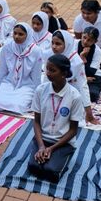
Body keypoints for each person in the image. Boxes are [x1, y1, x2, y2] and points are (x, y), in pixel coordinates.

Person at [28, 54, 84, 183]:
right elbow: (36, 121)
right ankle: (44, 151)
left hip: (62, 142)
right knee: (34, 167)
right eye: (47, 69)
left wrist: (51, 149)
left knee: (51, 172)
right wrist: (42, 146)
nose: (48, 73)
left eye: (52, 70)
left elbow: (73, 130)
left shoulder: (75, 96)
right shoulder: (40, 90)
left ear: (64, 73)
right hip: (43, 139)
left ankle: (65, 155)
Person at [43, 30, 97, 125]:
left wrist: (89, 112)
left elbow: (82, 85)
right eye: (52, 43)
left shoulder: (76, 62)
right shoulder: (48, 54)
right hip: (51, 89)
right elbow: (45, 80)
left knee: (68, 118)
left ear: (67, 44)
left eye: (58, 44)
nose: (54, 47)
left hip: (69, 91)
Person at [0, 23, 43, 114]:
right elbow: (2, 70)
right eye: (15, 33)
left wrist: (37, 96)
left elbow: (36, 76)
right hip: (9, 82)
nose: (16, 37)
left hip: (27, 84)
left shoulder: (36, 51)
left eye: (21, 34)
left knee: (19, 106)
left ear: (28, 35)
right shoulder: (7, 48)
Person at [78, 26, 101, 103]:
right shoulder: (74, 45)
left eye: (89, 40)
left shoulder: (98, 51)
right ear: (81, 35)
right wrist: (84, 78)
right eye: (84, 37)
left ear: (95, 41)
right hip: (76, 76)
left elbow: (91, 72)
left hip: (92, 78)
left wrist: (83, 58)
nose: (85, 41)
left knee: (92, 95)